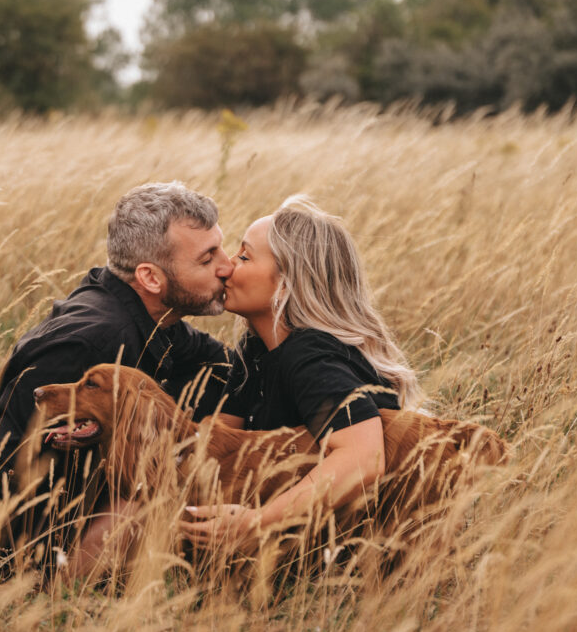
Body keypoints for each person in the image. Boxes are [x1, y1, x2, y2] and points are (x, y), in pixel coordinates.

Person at [0, 181, 234, 561]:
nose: (228, 266)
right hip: (24, 544)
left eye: (222, 248)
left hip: (69, 517)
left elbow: (224, 368)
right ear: (151, 278)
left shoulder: (154, 319)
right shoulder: (93, 342)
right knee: (153, 496)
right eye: (207, 259)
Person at [180, 194, 420, 551]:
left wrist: (255, 523)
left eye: (244, 256)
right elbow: (218, 446)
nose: (227, 267)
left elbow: (364, 459)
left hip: (346, 554)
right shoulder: (257, 351)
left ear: (288, 284)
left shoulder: (309, 355)